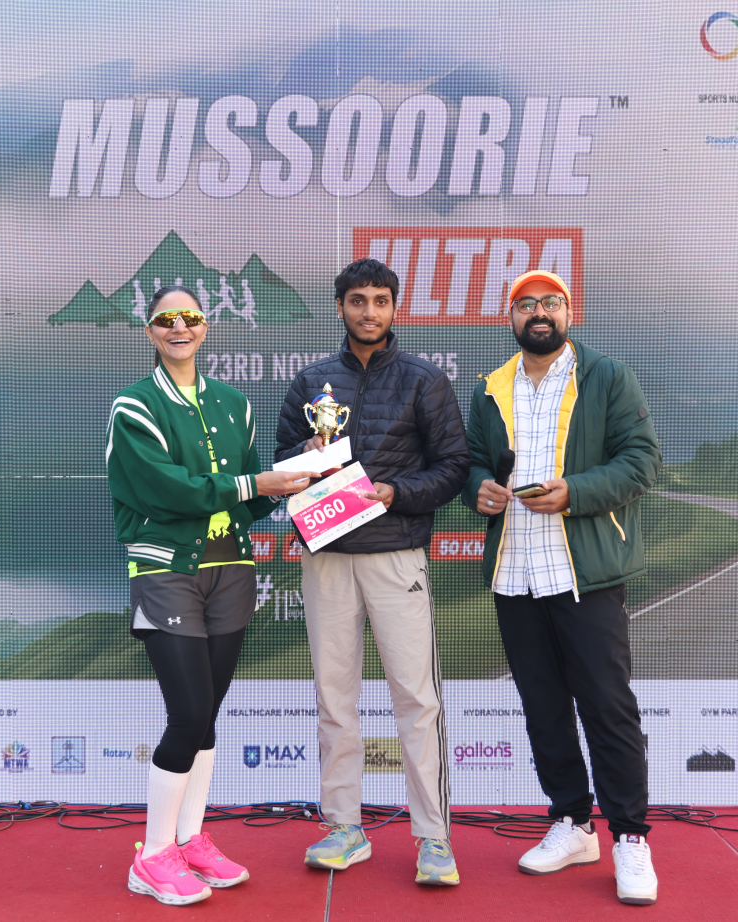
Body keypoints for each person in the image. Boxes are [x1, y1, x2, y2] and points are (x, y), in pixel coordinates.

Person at [108, 285, 318, 906]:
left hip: (232, 570)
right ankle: (152, 855)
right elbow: (165, 490)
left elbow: (250, 500)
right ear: (150, 330)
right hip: (166, 570)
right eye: (166, 319)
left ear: (206, 326)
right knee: (189, 712)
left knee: (207, 715)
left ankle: (190, 839)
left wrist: (299, 473)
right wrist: (256, 482)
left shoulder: (234, 404)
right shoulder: (135, 405)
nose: (180, 327)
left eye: (191, 317)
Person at [462, 269, 663, 905]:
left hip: (585, 574)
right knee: (543, 707)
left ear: (568, 312)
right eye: (526, 305)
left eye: (550, 302)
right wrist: (478, 490)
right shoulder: (490, 388)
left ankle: (629, 836)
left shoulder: (607, 377)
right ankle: (573, 823)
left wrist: (574, 492)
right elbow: (471, 462)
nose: (539, 313)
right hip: (515, 575)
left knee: (607, 706)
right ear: (511, 318)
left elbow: (642, 461)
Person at [274, 257, 471, 886]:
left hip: (395, 554)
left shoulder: (423, 380)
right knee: (335, 697)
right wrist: (304, 454)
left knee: (416, 697)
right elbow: (279, 464)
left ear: (394, 308)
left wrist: (395, 493)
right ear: (340, 307)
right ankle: (343, 828)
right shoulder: (312, 382)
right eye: (357, 300)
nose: (369, 312)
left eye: (380, 301)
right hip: (326, 556)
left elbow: (454, 467)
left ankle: (433, 838)